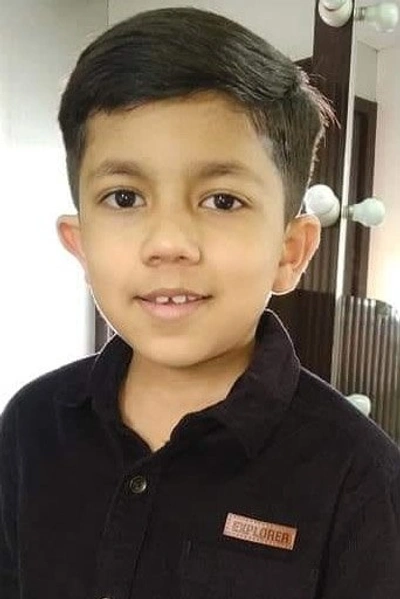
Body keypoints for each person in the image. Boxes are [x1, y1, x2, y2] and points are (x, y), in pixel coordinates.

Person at [1, 6, 399, 599]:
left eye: (222, 201)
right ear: (81, 245)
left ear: (290, 251)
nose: (168, 243)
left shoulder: (360, 478)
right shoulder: (31, 426)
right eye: (124, 197)